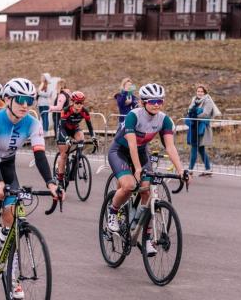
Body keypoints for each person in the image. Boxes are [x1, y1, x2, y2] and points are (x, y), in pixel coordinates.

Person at [0, 78, 64, 299]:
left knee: (12, 219)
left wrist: (50, 183)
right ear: (8, 99)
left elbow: (39, 154)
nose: (25, 104)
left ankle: (13, 278)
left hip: (7, 166)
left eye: (30, 100)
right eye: (20, 99)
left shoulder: (32, 122)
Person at [107, 83, 189, 256]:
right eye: (152, 101)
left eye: (160, 101)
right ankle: (113, 212)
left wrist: (181, 170)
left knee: (148, 193)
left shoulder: (164, 119)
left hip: (142, 152)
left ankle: (147, 238)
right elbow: (131, 144)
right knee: (129, 186)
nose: (157, 104)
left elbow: (170, 147)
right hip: (121, 151)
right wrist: (137, 168)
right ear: (144, 102)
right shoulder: (133, 116)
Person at [56, 91, 97, 185]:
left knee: (81, 138)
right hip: (63, 130)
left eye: (81, 103)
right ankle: (60, 178)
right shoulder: (66, 110)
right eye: (77, 103)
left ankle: (77, 157)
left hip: (74, 128)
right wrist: (66, 138)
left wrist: (93, 137)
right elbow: (62, 127)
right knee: (64, 155)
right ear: (72, 102)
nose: (79, 105)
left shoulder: (84, 111)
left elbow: (90, 127)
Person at [186, 83, 220, 176]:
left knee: (194, 147)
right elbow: (189, 110)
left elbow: (206, 113)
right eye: (198, 91)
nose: (199, 93)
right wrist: (192, 114)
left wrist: (194, 115)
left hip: (202, 128)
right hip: (194, 127)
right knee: (200, 149)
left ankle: (190, 170)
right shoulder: (194, 100)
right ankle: (208, 169)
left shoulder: (208, 101)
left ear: (205, 93)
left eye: (201, 91)